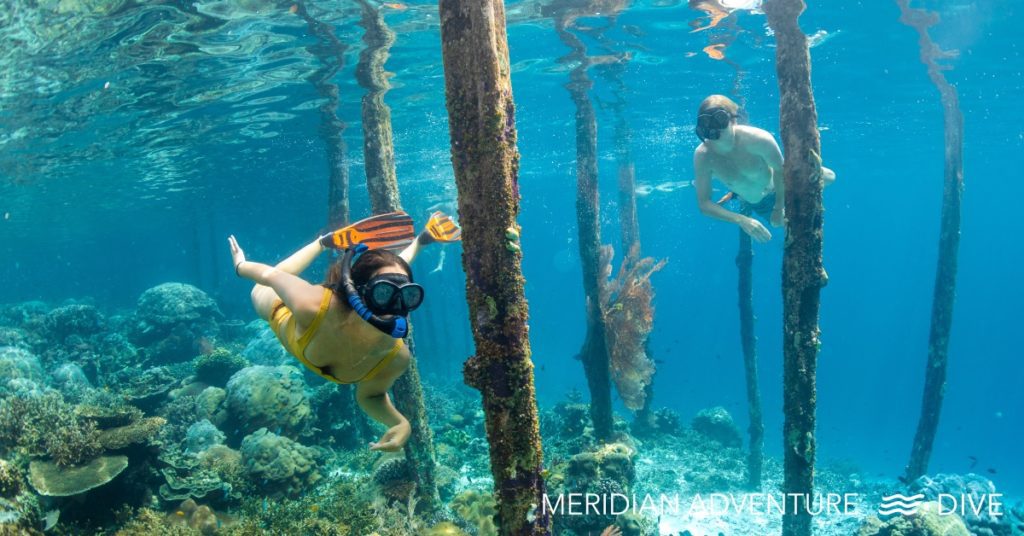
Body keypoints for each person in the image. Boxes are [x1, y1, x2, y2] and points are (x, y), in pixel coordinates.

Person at [227, 211, 461, 452]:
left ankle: (419, 242)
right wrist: (240, 265)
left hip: (347, 299)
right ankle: (322, 242)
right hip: (279, 307)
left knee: (391, 275)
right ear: (359, 294)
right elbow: (269, 275)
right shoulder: (311, 304)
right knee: (258, 289)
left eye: (408, 295)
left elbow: (371, 396)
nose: (395, 307)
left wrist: (400, 423)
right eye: (383, 295)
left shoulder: (395, 358)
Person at [692, 94, 836, 243]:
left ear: (733, 119)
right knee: (786, 228)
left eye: (719, 120)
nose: (714, 130)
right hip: (760, 203)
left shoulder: (758, 139)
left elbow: (780, 172)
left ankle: (800, 165)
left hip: (783, 184)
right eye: (706, 124)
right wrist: (741, 220)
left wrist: (779, 207)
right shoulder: (703, 156)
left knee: (830, 177)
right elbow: (704, 204)